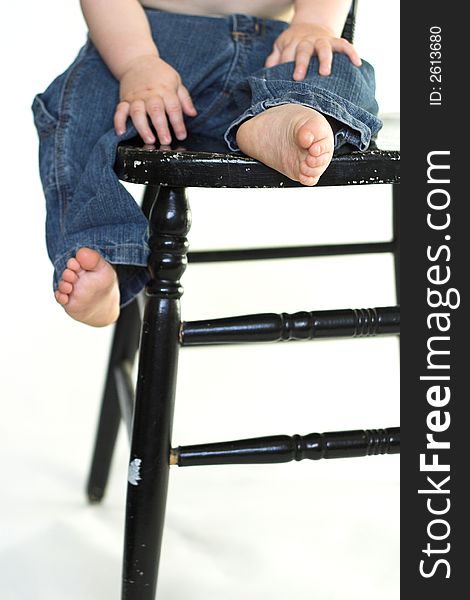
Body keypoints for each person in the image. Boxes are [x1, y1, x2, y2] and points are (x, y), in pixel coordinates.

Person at [32, 0, 382, 327]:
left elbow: (319, 36)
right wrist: (136, 62)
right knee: (77, 106)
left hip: (276, 53)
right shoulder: (139, 56)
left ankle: (281, 116)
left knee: (338, 65)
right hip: (148, 46)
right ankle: (104, 257)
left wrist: (315, 24)